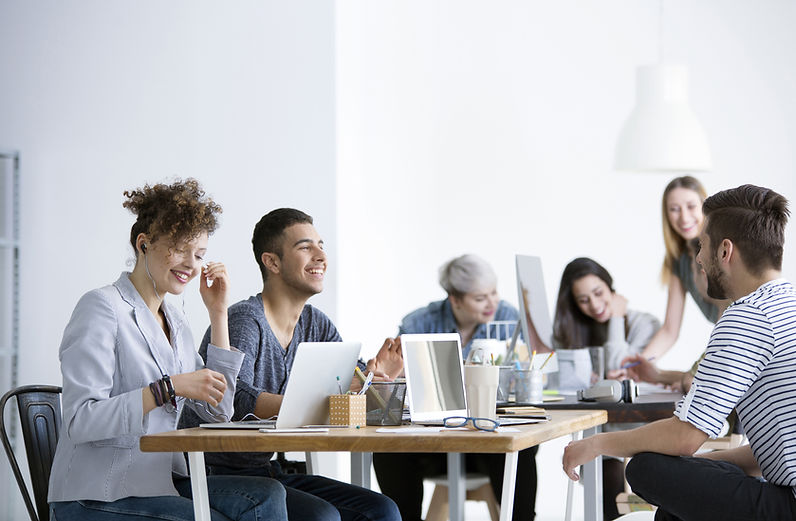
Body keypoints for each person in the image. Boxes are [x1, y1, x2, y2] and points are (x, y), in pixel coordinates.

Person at [48, 179, 288, 521]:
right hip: (97, 493)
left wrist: (218, 313)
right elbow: (80, 420)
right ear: (144, 244)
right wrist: (168, 388)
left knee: (265, 495)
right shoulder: (101, 307)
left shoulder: (175, 319)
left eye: (200, 255)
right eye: (179, 249)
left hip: (159, 482)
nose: (191, 265)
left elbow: (218, 412)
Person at [563, 184, 796, 520]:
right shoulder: (786, 303)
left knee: (645, 468)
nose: (699, 259)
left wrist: (595, 445)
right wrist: (694, 471)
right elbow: (770, 455)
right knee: (677, 493)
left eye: (703, 245)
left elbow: (685, 436)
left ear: (724, 251)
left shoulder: (747, 316)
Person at [180, 208, 401, 521]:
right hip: (210, 473)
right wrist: (317, 405)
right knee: (321, 516)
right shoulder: (245, 321)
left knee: (382, 510)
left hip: (265, 471)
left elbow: (354, 378)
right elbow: (236, 399)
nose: (321, 254)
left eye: (321, 245)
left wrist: (375, 380)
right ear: (272, 262)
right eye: (305, 247)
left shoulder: (315, 324)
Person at [373, 254, 539, 521]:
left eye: (494, 293)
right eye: (480, 298)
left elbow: (522, 373)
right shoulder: (418, 324)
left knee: (519, 447)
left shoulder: (508, 317)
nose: (492, 303)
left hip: (486, 441)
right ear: (456, 299)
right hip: (432, 443)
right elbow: (401, 382)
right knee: (389, 448)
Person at [552, 257, 661, 520]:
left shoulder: (644, 324)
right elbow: (563, 385)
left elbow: (619, 365)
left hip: (637, 431)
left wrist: (616, 319)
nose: (595, 305)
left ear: (611, 288)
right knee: (603, 469)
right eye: (583, 300)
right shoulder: (572, 332)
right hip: (597, 434)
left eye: (599, 293)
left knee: (616, 468)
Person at [639, 176, 727, 361]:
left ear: (705, 205)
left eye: (691, 206)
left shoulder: (723, 249)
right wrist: (639, 365)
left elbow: (729, 315)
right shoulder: (678, 261)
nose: (684, 217)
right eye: (674, 209)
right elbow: (670, 331)